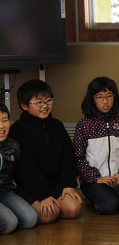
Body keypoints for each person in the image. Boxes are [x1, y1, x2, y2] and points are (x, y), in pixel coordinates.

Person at [10, 79, 82, 224]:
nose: (45, 106)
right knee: (48, 215)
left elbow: (69, 157)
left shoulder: (57, 125)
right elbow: (26, 169)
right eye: (38, 102)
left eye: (48, 100)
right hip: (29, 186)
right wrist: (43, 195)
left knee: (73, 209)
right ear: (24, 106)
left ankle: (54, 205)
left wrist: (68, 184)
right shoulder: (18, 130)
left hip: (53, 183)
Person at [73, 77, 119, 215]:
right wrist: (95, 178)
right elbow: (77, 157)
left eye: (109, 96)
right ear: (92, 99)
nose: (105, 101)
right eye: (100, 97)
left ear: (114, 97)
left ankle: (110, 196)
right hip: (94, 180)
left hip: (117, 178)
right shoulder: (84, 125)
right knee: (108, 207)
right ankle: (96, 198)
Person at [0, 102, 38, 234]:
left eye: (5, 120)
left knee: (30, 219)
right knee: (9, 223)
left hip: (6, 192)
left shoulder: (13, 145)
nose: (1, 126)